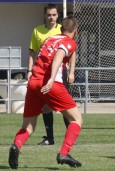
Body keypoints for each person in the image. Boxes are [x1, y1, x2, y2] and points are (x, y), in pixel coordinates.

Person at [8, 15, 83, 169]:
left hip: (33, 83)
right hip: (51, 83)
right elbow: (58, 56)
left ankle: (16, 146)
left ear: (61, 29)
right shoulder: (69, 42)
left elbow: (40, 57)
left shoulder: (49, 39)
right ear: (75, 31)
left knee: (28, 126)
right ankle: (64, 152)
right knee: (76, 119)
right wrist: (51, 79)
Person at [27, 3, 73, 145]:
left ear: (58, 15)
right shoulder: (37, 31)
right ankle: (50, 138)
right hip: (42, 74)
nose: (51, 17)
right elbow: (32, 52)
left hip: (60, 73)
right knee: (45, 106)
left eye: (54, 15)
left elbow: (72, 50)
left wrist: (71, 71)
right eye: (49, 15)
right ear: (44, 15)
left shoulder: (62, 29)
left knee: (65, 105)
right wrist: (29, 71)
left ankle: (70, 136)